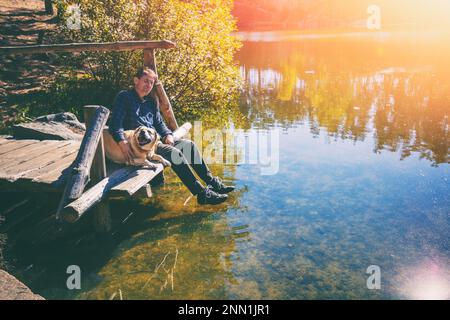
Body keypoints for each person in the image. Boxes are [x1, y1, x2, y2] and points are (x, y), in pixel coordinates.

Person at [108, 67, 235, 205]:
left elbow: (160, 123)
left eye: (151, 83)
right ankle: (202, 193)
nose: (149, 85)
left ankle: (212, 182)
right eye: (146, 81)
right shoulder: (125, 97)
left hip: (154, 142)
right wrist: (122, 142)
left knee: (189, 146)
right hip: (138, 147)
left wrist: (168, 134)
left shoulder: (150, 102)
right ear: (136, 80)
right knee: (174, 153)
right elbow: (115, 124)